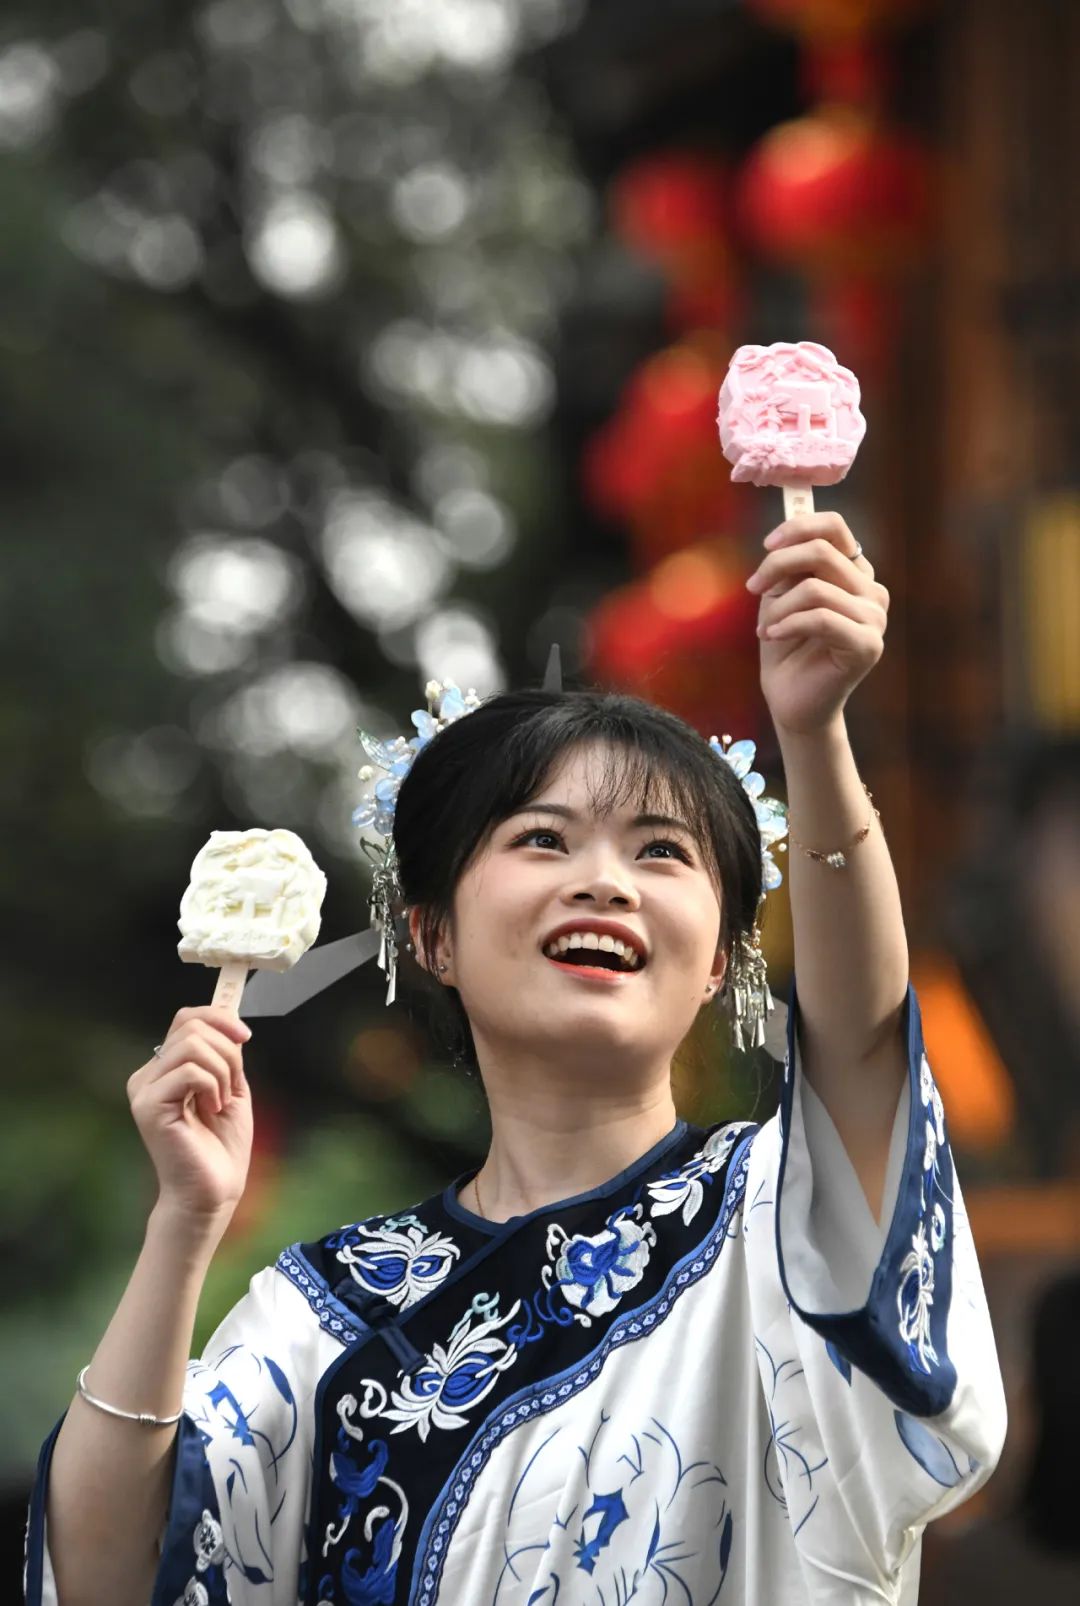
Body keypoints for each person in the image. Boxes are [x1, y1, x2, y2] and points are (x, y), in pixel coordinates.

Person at [25, 513, 1007, 1606]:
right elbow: (108, 1574)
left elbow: (864, 1038)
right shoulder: (330, 1312)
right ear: (431, 933)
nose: (606, 881)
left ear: (723, 962)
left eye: (662, 850)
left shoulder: (785, 1226)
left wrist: (816, 732)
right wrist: (182, 1228)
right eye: (542, 838)